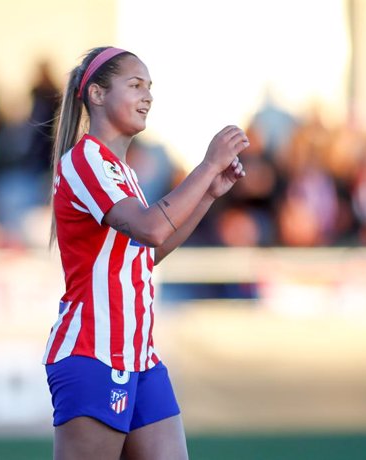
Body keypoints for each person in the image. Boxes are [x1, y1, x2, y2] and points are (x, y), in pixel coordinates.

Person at [42, 46, 248, 460]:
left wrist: (208, 194)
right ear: (97, 95)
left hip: (140, 357)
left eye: (150, 87)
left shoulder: (123, 172)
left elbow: (144, 255)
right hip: (93, 353)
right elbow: (152, 229)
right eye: (135, 85)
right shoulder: (85, 160)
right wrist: (206, 166)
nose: (148, 95)